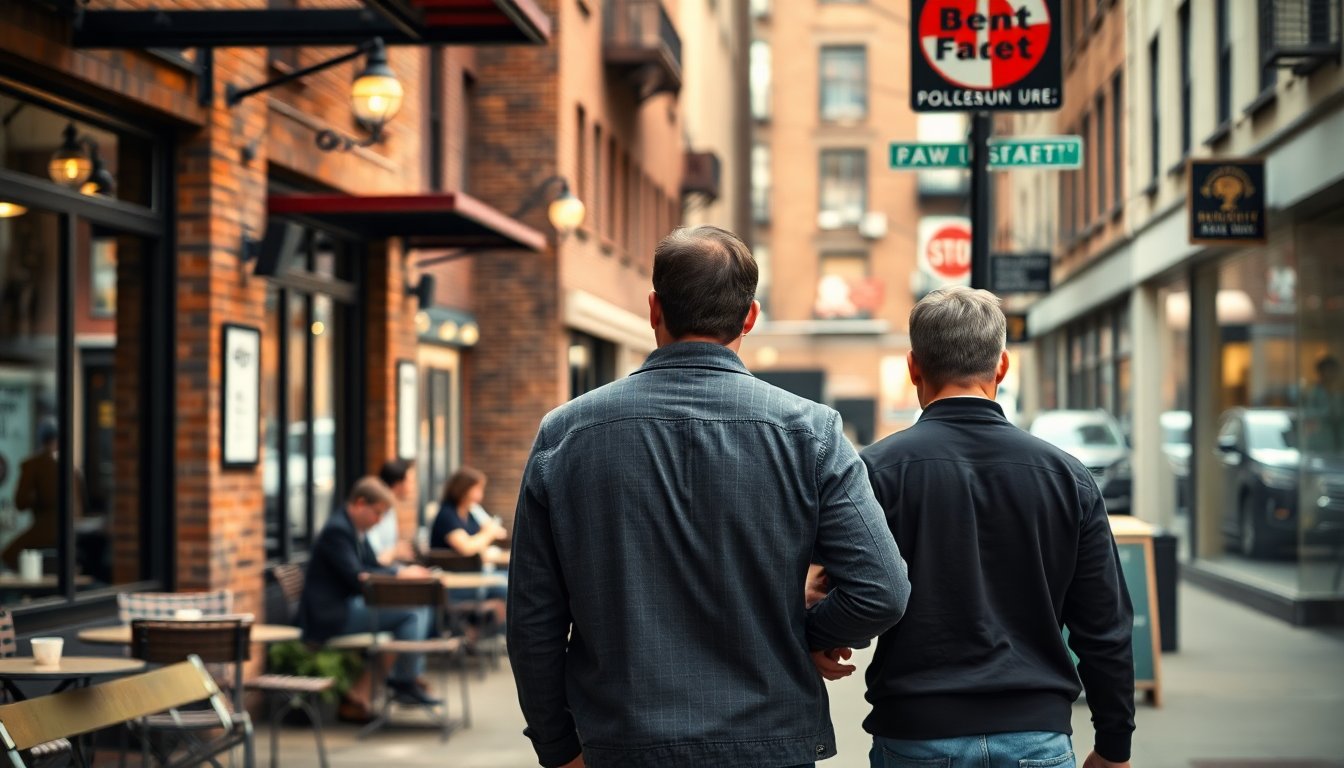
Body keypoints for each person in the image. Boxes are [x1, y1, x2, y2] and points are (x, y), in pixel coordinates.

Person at [508, 225, 911, 768]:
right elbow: (882, 589)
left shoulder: (566, 434)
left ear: (654, 309)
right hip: (768, 742)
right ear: (750, 317)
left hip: (621, 742)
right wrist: (806, 633)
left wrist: (558, 748)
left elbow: (533, 619)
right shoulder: (811, 431)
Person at [853, 286, 1135, 768]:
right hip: (1036, 735)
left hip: (917, 734)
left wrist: (824, 638)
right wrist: (1114, 746)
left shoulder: (875, 472)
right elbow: (1104, 626)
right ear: (1001, 367)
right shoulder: (1069, 478)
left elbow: (849, 587)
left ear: (913, 367)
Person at [296, 476, 441, 710]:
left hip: (349, 605)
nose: (379, 520)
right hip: (331, 615)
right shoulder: (338, 530)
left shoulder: (355, 529)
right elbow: (357, 577)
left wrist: (401, 571)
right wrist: (398, 575)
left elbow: (373, 566)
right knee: (411, 613)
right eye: (377, 513)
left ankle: (389, 683)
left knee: (418, 606)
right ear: (360, 503)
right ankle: (403, 680)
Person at [430, 466, 509, 630]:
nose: (480, 495)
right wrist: (488, 533)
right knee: (509, 587)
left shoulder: (470, 514)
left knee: (514, 578)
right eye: (477, 489)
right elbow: (466, 547)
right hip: (455, 586)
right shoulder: (447, 515)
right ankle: (499, 636)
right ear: (464, 489)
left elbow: (493, 537)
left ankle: (492, 635)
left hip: (475, 577)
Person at [3, 418, 85, 571]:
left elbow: (20, 502)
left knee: (8, 555)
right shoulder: (72, 468)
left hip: (47, 530)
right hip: (69, 531)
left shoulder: (33, 465)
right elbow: (79, 509)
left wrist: (37, 497)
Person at [366, 459, 417, 566]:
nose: (413, 487)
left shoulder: (390, 511)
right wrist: (396, 551)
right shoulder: (376, 512)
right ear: (398, 484)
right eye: (411, 482)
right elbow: (377, 558)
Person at [1304, 354, 1344, 454]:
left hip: (1339, 438)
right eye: (1328, 371)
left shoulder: (1339, 391)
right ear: (1321, 372)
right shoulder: (1314, 391)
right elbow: (1310, 413)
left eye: (1333, 371)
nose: (1331, 374)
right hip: (1322, 440)